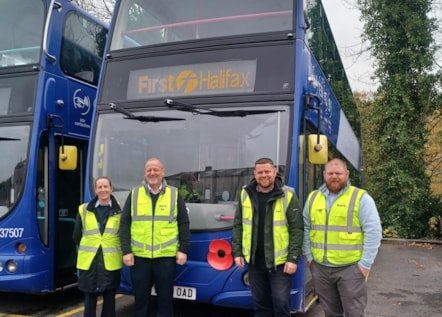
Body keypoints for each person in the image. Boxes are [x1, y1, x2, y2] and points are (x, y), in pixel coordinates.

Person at [303, 158, 382, 317]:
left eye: (338, 173)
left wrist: (365, 264)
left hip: (350, 269)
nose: (334, 176)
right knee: (330, 312)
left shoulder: (360, 198)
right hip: (320, 268)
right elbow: (305, 228)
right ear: (324, 175)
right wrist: (309, 257)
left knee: (354, 312)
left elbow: (373, 231)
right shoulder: (313, 198)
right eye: (330, 173)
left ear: (346, 174)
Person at [232, 157, 304, 317]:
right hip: (255, 262)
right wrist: (237, 252)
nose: (264, 175)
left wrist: (293, 258)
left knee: (281, 304)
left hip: (279, 264)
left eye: (267, 171)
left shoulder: (288, 195)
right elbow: (238, 225)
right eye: (260, 172)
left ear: (275, 171)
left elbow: (297, 229)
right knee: (260, 305)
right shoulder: (245, 193)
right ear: (254, 174)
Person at [119, 158, 190, 317]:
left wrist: (183, 249)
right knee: (141, 300)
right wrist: (126, 251)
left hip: (165, 258)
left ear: (163, 172)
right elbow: (124, 224)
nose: (152, 173)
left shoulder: (174, 194)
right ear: (145, 173)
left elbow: (184, 223)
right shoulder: (134, 194)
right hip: (140, 258)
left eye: (156, 169)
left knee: (165, 301)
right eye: (149, 170)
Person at [72, 176, 122, 317]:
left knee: (109, 302)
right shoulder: (83, 210)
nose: (103, 190)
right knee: (89, 301)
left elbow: (124, 235)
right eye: (99, 187)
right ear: (95, 190)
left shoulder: (120, 211)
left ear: (111, 189)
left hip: (110, 263)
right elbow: (76, 235)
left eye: (106, 186)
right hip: (89, 263)